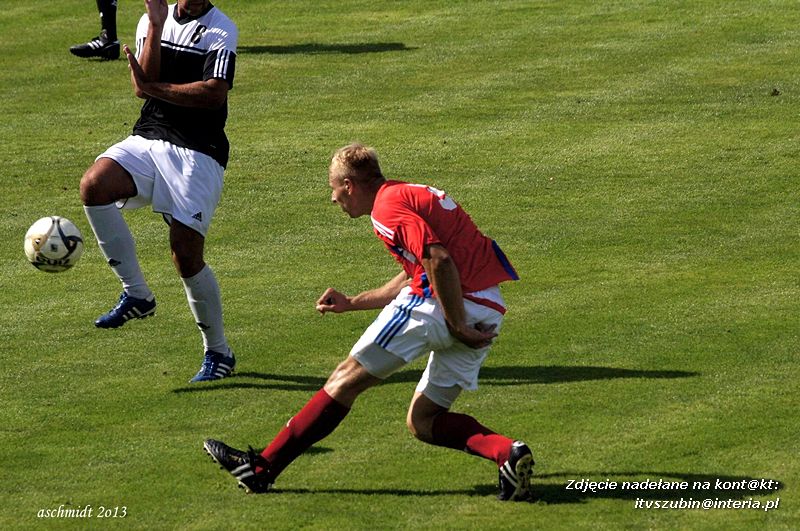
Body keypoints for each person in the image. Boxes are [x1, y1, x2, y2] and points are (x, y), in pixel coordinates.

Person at [204, 144, 534, 501]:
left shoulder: (386, 208)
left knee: (343, 380)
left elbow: (438, 261)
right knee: (424, 421)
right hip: (487, 309)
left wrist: (457, 326)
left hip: (441, 307)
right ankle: (507, 453)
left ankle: (261, 469)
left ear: (349, 186)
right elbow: (417, 270)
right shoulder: (403, 193)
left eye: (333, 188)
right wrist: (353, 303)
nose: (333, 198)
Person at [79, 0, 238, 383]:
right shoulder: (153, 20)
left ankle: (218, 352)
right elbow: (144, 84)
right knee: (94, 185)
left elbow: (213, 93)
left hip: (199, 151)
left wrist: (154, 88)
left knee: (186, 256)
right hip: (149, 136)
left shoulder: (221, 28)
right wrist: (154, 24)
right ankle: (137, 294)